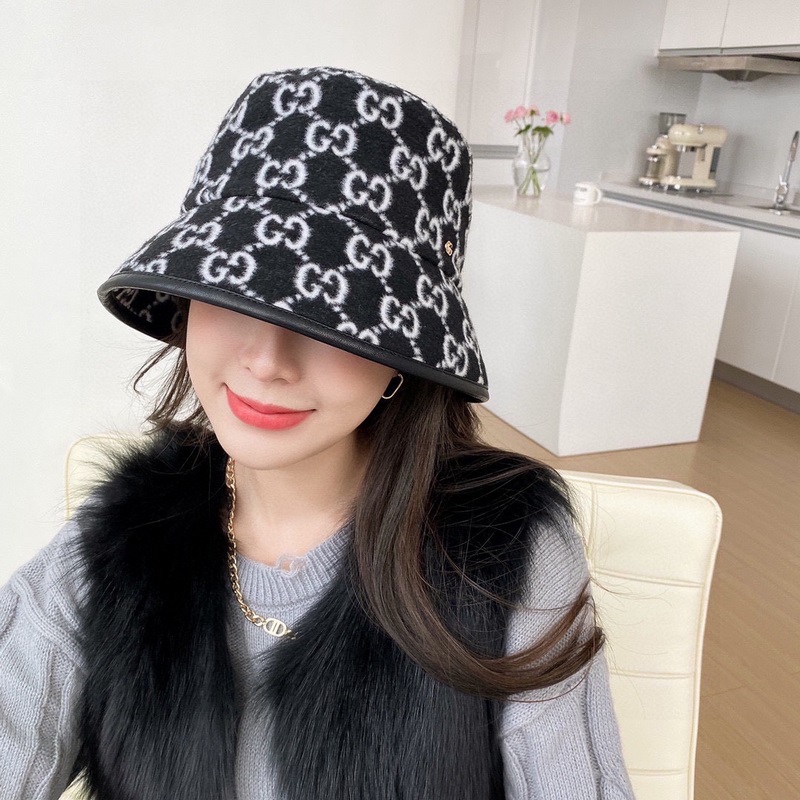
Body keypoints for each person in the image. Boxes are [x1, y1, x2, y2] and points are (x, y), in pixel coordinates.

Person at [0, 67, 634, 799]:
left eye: (335, 317)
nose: (267, 362)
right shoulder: (119, 537)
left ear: (404, 356)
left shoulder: (506, 554)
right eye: (234, 292)